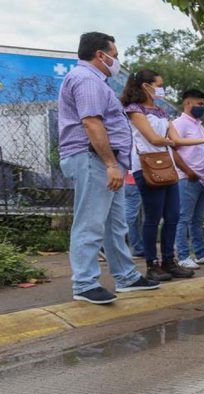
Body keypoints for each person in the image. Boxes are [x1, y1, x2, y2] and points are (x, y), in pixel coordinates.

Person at [57, 32, 159, 304]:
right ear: (100, 55)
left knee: (115, 224)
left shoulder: (96, 81)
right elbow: (92, 123)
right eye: (115, 55)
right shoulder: (86, 79)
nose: (117, 61)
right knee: (90, 222)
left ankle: (126, 276)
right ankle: (84, 283)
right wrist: (111, 163)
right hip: (95, 159)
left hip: (104, 161)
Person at [123, 69, 204, 281]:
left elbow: (177, 140)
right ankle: (152, 264)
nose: (162, 89)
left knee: (172, 216)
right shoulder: (135, 109)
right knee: (152, 217)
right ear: (146, 86)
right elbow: (154, 139)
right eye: (159, 85)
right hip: (146, 167)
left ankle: (169, 261)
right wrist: (170, 142)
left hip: (167, 166)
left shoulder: (161, 112)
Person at [173, 89, 204, 270]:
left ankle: (200, 254)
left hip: (203, 178)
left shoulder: (200, 126)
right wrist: (187, 171)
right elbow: (172, 150)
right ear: (187, 103)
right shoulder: (179, 124)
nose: (202, 107)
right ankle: (183, 255)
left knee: (197, 219)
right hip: (187, 178)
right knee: (183, 218)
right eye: (199, 104)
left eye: (203, 104)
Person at [124, 170, 144, 257]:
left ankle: (137, 246)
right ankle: (137, 247)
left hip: (127, 181)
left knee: (134, 217)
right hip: (136, 180)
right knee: (131, 217)